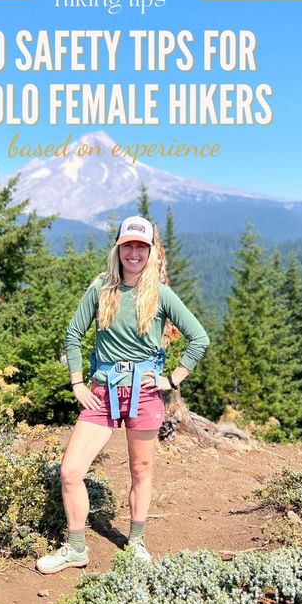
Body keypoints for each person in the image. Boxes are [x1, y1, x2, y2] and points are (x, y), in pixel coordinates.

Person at [36, 215, 209, 574]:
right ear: (117, 249)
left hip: (144, 394)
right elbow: (72, 336)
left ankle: (136, 543)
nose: (133, 252)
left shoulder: (160, 293)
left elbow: (199, 338)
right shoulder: (101, 288)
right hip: (102, 391)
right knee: (70, 471)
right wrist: (77, 383)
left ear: (150, 251)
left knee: (140, 470)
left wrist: (172, 380)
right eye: (127, 245)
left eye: (140, 246)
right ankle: (76, 549)